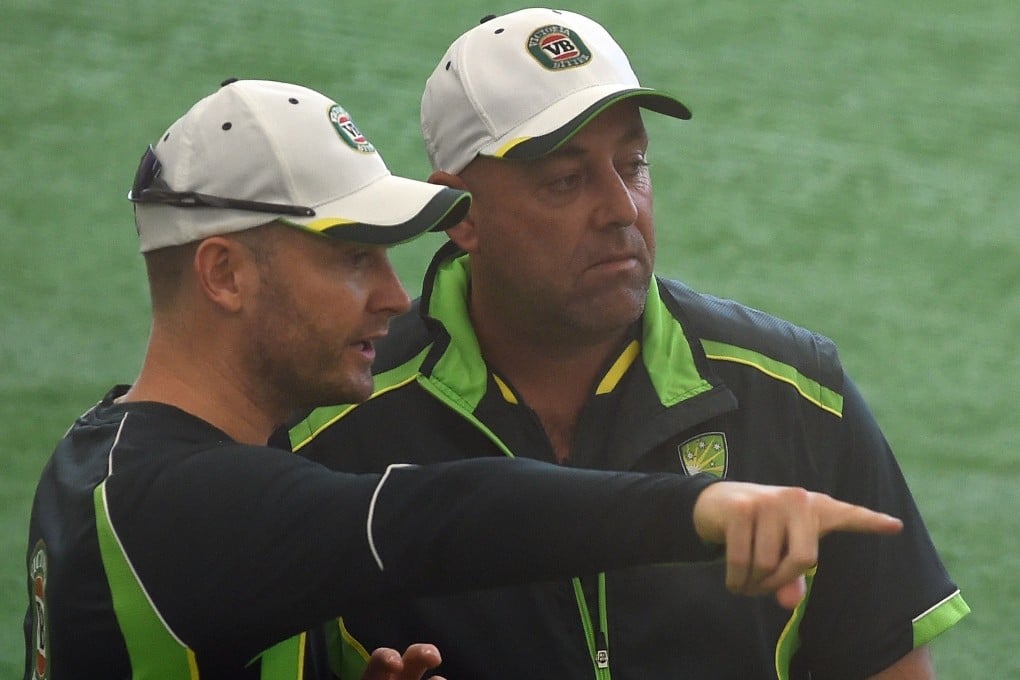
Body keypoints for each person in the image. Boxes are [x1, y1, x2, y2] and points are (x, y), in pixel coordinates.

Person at [22, 78, 902, 680]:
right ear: (223, 274)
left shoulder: (105, 457)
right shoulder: (183, 503)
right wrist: (700, 507)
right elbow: (441, 519)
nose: (395, 296)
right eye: (355, 257)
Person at [284, 9, 970, 679]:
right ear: (460, 214)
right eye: (567, 180)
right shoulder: (326, 435)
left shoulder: (799, 394)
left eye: (633, 164)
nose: (621, 208)